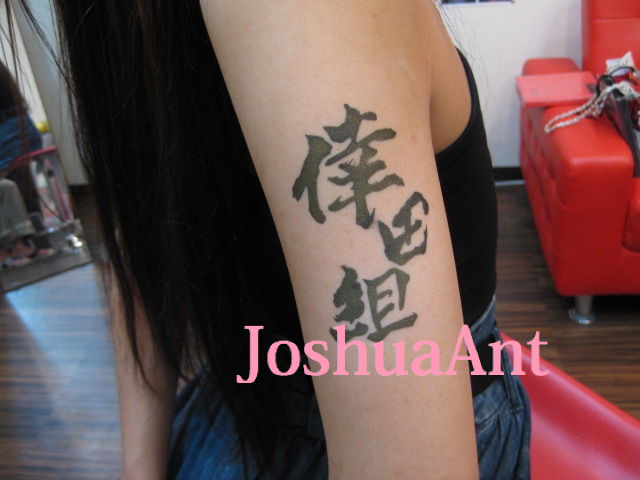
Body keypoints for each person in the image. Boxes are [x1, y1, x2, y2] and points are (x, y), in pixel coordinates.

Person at [10, 1, 531, 478]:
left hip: (404, 417)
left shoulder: (298, 13)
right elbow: (144, 247)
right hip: (250, 391)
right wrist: (140, 471)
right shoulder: (133, 20)